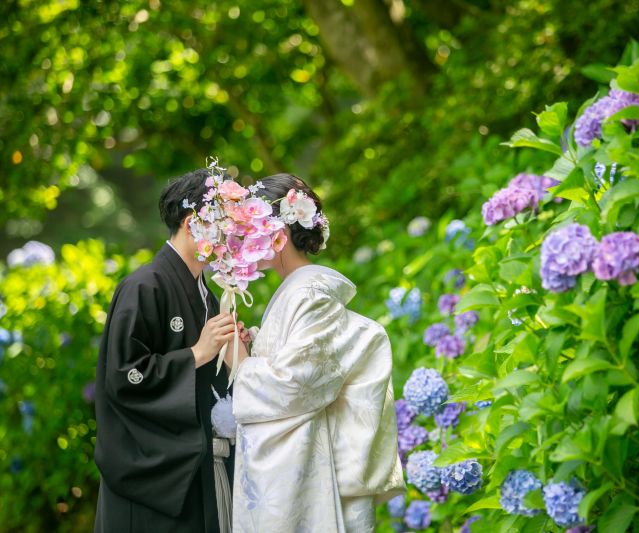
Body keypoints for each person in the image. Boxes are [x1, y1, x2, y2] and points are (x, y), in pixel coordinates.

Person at [227, 174, 406, 532]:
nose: (242, 242)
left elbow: (296, 385)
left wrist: (242, 364)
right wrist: (253, 344)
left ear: (277, 236)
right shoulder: (300, 292)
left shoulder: (309, 295)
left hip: (317, 480)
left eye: (249, 231)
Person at [94, 168, 240, 533]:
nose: (231, 237)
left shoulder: (208, 293)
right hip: (154, 481)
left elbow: (210, 382)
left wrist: (231, 353)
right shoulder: (144, 286)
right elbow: (123, 376)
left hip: (199, 468)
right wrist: (196, 354)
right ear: (193, 223)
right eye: (223, 225)